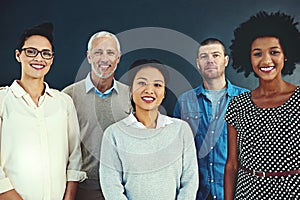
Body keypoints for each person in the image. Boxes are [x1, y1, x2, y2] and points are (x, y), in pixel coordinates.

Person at [0, 22, 86, 199]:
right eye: (31, 52)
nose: (39, 59)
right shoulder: (3, 100)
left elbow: (75, 158)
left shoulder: (63, 102)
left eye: (46, 53)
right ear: (18, 55)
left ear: (52, 59)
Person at [224, 11, 300, 199]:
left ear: (286, 55)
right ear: (247, 58)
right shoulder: (238, 104)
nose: (266, 60)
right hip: (247, 192)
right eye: (257, 53)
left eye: (274, 52)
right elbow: (232, 163)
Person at [99, 59, 199, 200]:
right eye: (141, 83)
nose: (149, 90)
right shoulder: (114, 134)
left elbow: (190, 181)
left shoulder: (181, 130)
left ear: (164, 93)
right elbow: (111, 186)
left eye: (157, 85)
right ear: (130, 89)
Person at [173, 38, 249, 200]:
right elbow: (176, 151)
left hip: (235, 192)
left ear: (225, 60)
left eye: (216, 55)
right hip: (198, 192)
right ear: (198, 63)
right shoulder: (185, 101)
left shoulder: (246, 99)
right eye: (204, 56)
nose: (210, 61)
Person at [62, 31, 132, 199]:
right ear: (89, 57)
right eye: (98, 52)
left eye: (110, 52)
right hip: (83, 188)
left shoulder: (130, 95)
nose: (104, 58)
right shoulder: (68, 96)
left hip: (122, 187)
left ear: (118, 57)